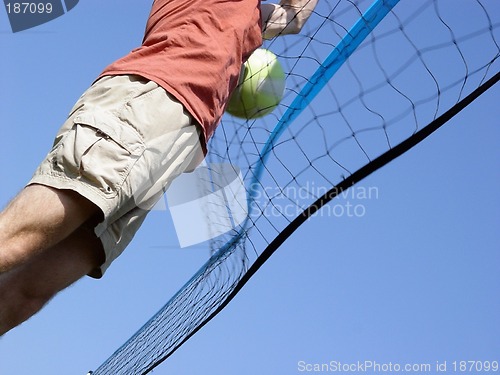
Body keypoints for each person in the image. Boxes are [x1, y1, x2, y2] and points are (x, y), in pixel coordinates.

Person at [0, 0, 318, 336]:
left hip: (174, 142)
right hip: (150, 101)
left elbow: (292, 17)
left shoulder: (247, 14)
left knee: (25, 294)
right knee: (17, 239)